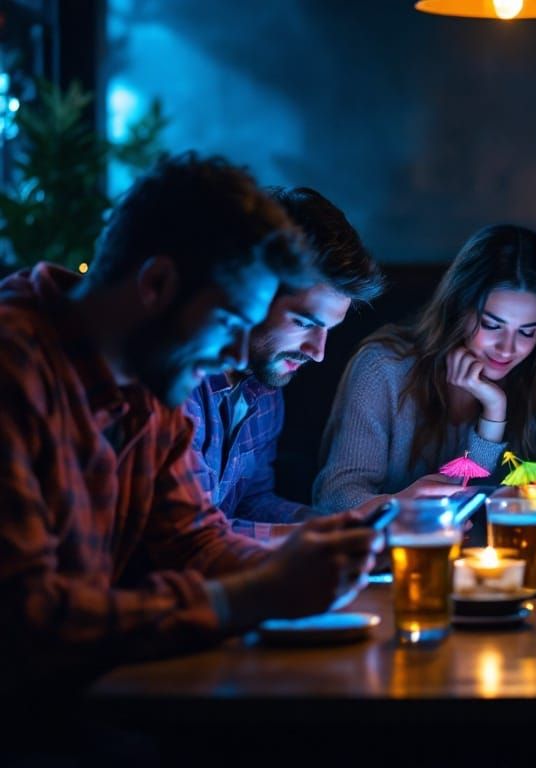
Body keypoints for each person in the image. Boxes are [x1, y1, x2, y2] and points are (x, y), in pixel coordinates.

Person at [0, 154, 381, 690]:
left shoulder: (151, 378)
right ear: (155, 284)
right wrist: (253, 595)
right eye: (229, 322)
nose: (234, 354)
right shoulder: (16, 366)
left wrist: (306, 561)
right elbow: (31, 622)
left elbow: (195, 541)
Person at [313, 224, 536, 512]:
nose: (507, 348)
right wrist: (401, 504)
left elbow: (499, 507)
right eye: (492, 325)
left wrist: (494, 411)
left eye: (527, 332)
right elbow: (333, 499)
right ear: (459, 308)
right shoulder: (385, 368)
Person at [185, 186, 385, 525]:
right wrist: (319, 540)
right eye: (304, 323)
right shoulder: (181, 380)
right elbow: (189, 536)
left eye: (329, 331)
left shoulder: (265, 385)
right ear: (254, 292)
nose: (317, 352)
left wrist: (331, 525)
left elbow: (251, 501)